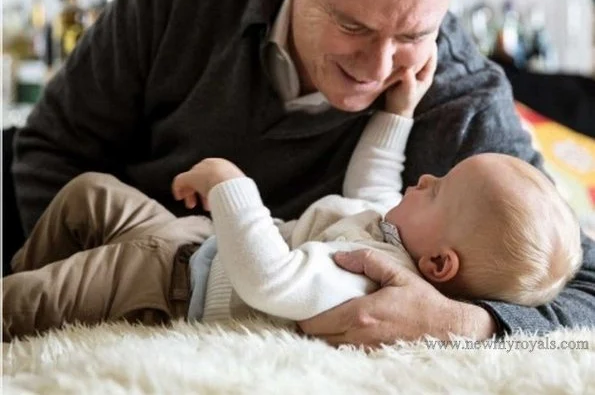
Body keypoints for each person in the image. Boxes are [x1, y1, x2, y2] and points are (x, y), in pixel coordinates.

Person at [10, 0, 595, 346]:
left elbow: (578, 278)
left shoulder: (456, 92)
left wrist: (463, 322)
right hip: (133, 227)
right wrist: (77, 284)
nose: (380, 66)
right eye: (354, 26)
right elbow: (52, 147)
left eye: (415, 33)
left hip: (180, 290)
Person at [3, 50, 581, 340]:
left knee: (36, 300)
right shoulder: (389, 229)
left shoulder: (367, 281)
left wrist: (233, 186)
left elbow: (270, 279)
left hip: (175, 282)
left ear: (438, 263)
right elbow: (374, 182)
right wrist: (399, 113)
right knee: (88, 193)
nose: (427, 178)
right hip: (189, 242)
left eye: (440, 191)